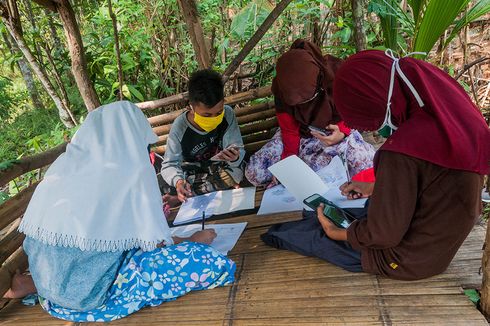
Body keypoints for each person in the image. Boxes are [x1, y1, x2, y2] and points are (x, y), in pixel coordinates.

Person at [263, 49, 490, 280]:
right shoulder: (447, 113)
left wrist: (336, 233)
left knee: (289, 233)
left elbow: (382, 235)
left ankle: (313, 231)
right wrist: (375, 187)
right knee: (320, 214)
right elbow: (432, 179)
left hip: (404, 258)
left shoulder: (401, 152)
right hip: (436, 244)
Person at [9, 101, 235, 322]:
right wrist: (191, 240)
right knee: (207, 261)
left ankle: (32, 284)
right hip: (90, 293)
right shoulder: (131, 169)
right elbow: (153, 242)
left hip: (49, 281)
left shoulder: (64, 165)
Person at [245, 39, 376, 187]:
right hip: (300, 136)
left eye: (308, 98)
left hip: (338, 132)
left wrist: (341, 133)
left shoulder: (337, 74)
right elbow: (289, 131)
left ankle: (311, 169)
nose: (303, 106)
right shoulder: (281, 88)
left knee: (364, 163)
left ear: (318, 81)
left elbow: (354, 111)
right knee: (254, 172)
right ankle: (305, 170)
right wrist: (288, 164)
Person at [160, 69, 245, 205]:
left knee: (235, 172)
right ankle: (189, 191)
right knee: (173, 182)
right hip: (192, 172)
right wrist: (179, 181)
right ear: (191, 107)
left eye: (219, 112)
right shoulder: (180, 126)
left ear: (223, 102)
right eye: (206, 115)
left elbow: (238, 150)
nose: (214, 118)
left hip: (220, 168)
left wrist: (235, 158)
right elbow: (169, 164)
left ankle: (185, 196)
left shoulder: (228, 114)